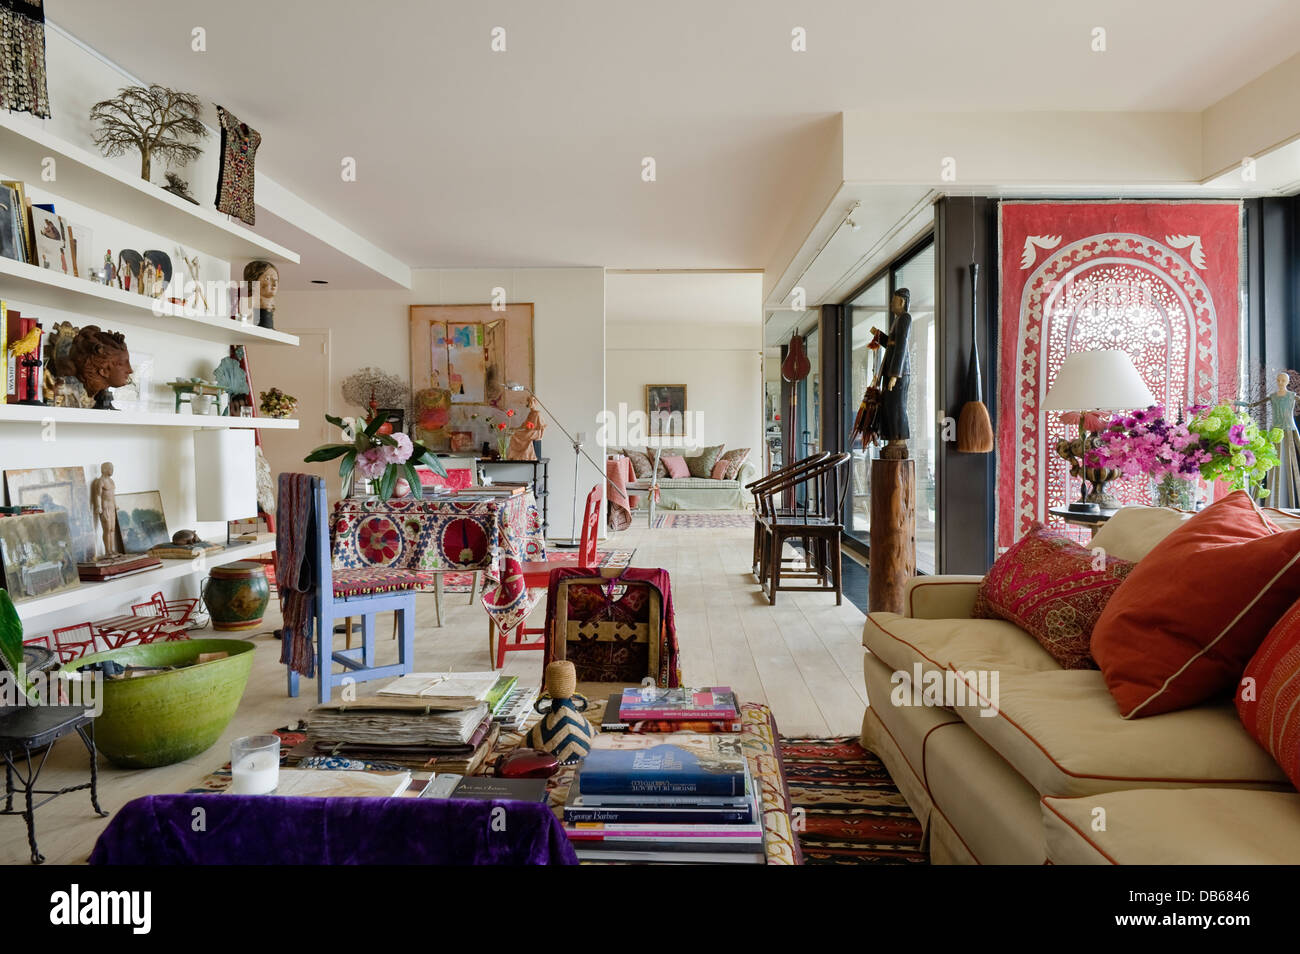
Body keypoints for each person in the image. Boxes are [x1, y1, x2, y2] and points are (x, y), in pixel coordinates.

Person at [90, 462, 118, 558]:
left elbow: (113, 495)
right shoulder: (100, 481)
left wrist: (115, 505)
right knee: (107, 529)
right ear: (105, 469)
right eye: (110, 468)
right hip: (104, 507)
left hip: (111, 508)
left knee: (112, 529)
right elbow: (97, 495)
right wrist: (98, 507)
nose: (112, 470)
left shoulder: (111, 481)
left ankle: (113, 550)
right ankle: (107, 551)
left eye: (112, 468)